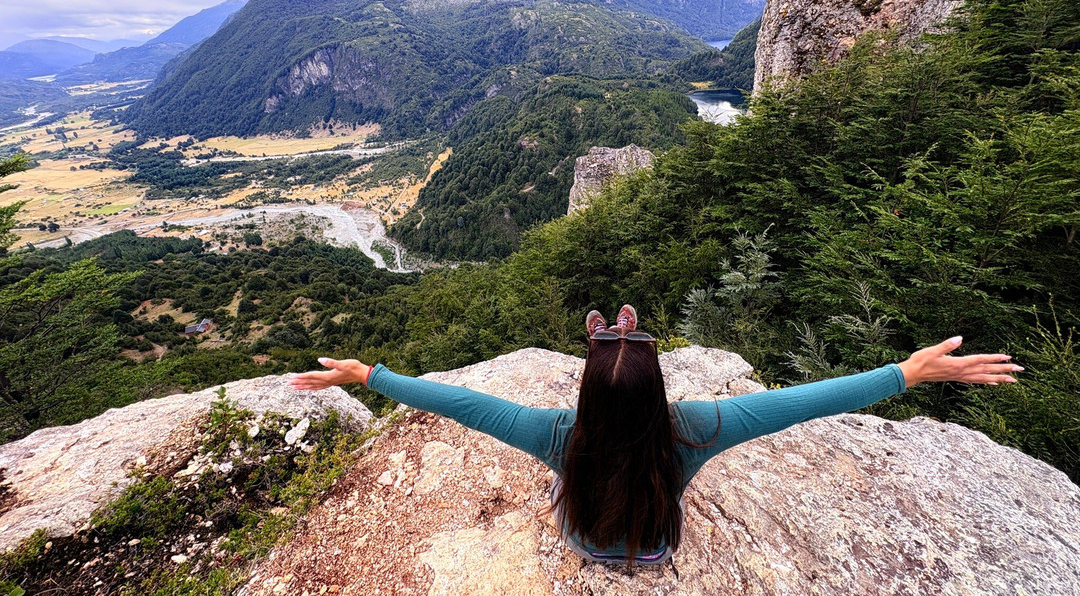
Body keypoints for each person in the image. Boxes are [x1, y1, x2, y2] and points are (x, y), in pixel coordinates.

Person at [289, 304, 1022, 568]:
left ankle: (608, 340)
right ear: (662, 388)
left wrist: (368, 374)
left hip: (583, 541)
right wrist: (908, 372)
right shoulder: (696, 428)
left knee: (565, 478)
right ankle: (622, 341)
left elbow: (461, 402)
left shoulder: (556, 433)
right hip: (656, 545)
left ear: (581, 393)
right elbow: (805, 402)